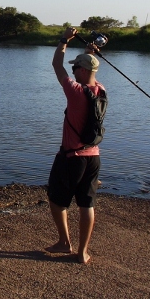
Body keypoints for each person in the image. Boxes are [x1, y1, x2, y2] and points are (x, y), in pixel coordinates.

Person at [46, 26, 104, 264]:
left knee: (56, 199)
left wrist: (64, 40)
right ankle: (82, 253)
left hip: (72, 157)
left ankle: (64, 242)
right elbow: (91, 70)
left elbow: (56, 65)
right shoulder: (100, 90)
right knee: (86, 203)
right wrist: (89, 53)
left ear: (81, 70)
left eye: (75, 67)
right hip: (94, 157)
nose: (72, 70)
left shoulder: (75, 91)